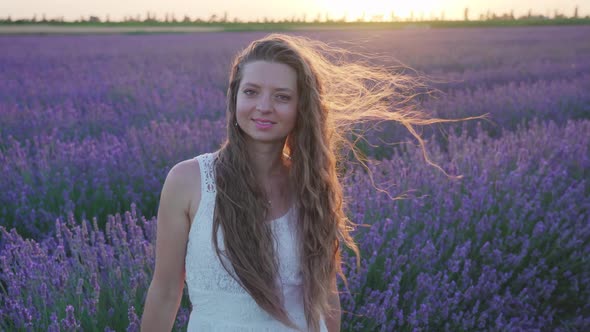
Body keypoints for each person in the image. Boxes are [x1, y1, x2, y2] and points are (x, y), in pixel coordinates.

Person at [140, 33, 479, 332]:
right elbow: (166, 289)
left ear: (302, 107)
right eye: (252, 91)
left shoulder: (312, 186)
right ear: (235, 98)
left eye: (282, 97)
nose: (264, 107)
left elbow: (326, 297)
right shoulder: (188, 181)